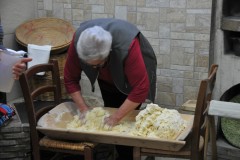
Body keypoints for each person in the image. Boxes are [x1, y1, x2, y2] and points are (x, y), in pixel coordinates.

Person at [64, 18, 157, 160]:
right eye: (90, 66)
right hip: (108, 75)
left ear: (109, 53)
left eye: (98, 65)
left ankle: (131, 155)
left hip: (136, 71)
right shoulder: (78, 42)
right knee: (111, 107)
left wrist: (116, 117)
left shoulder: (127, 45)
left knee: (125, 120)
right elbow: (70, 79)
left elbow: (140, 89)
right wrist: (83, 109)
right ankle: (119, 153)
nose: (94, 69)